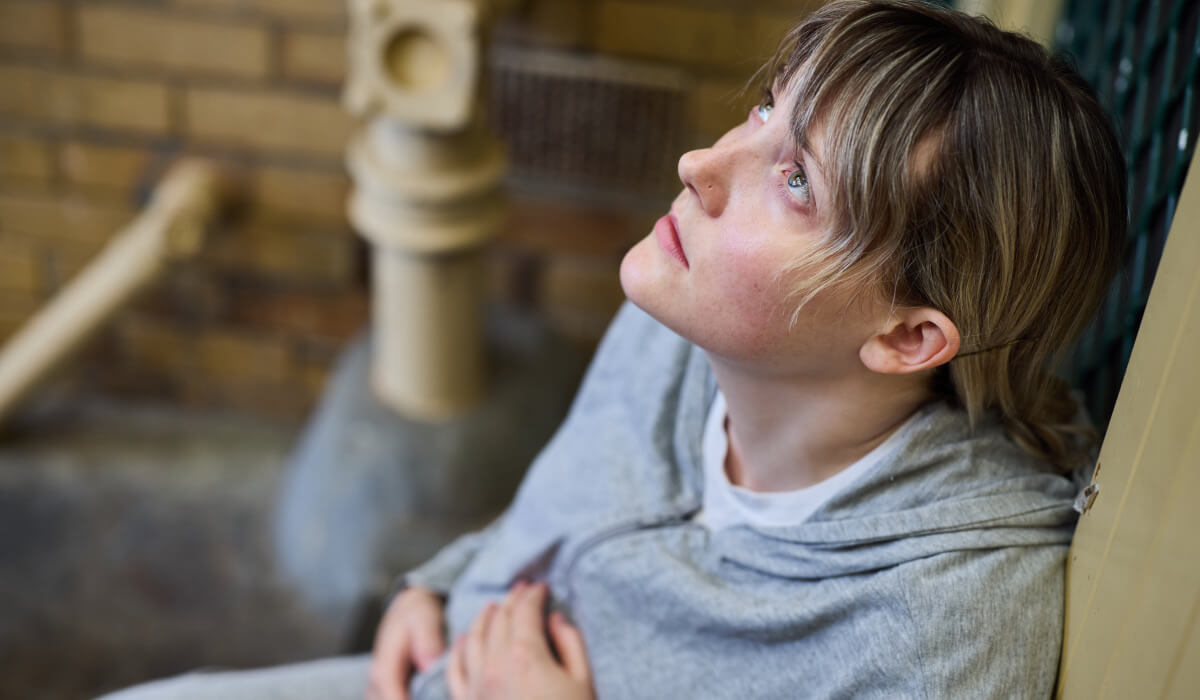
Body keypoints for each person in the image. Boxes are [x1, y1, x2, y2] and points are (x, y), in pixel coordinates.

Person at [102, 1, 1126, 698]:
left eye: (798, 180)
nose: (701, 164)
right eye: (766, 108)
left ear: (907, 335)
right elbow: (579, 498)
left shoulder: (945, 628)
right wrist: (444, 576)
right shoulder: (687, 318)